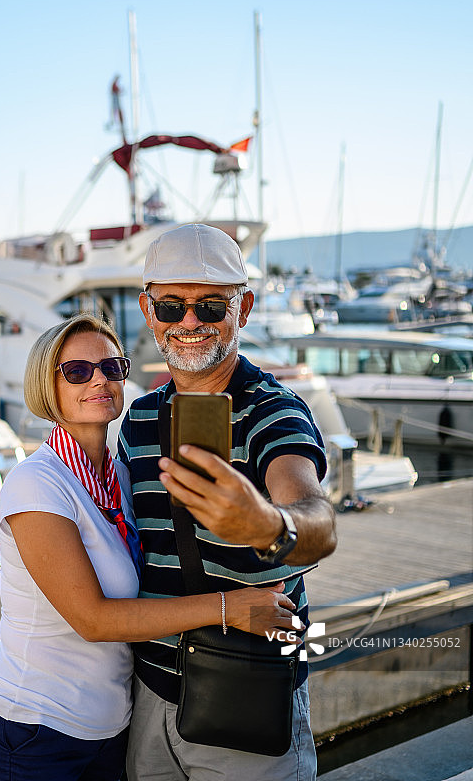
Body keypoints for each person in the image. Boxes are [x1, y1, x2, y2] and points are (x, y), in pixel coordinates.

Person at [0, 312, 300, 781]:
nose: (100, 381)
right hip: (37, 728)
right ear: (48, 387)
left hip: (111, 722)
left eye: (112, 367)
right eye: (77, 371)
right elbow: (93, 619)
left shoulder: (119, 476)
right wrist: (229, 607)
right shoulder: (36, 484)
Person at [117, 223, 337, 780]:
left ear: (242, 310)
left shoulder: (274, 413)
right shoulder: (140, 420)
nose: (189, 322)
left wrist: (267, 524)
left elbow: (316, 518)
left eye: (210, 305)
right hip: (150, 691)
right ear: (148, 311)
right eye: (171, 306)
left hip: (249, 689)